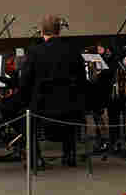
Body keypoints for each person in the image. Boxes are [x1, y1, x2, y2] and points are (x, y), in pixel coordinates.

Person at [19, 15, 87, 166]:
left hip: (42, 109)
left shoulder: (34, 52)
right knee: (67, 110)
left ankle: (35, 157)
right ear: (59, 30)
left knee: (22, 112)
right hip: (71, 108)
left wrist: (24, 99)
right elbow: (82, 80)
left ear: (42, 31)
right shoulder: (73, 51)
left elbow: (25, 82)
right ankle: (69, 154)